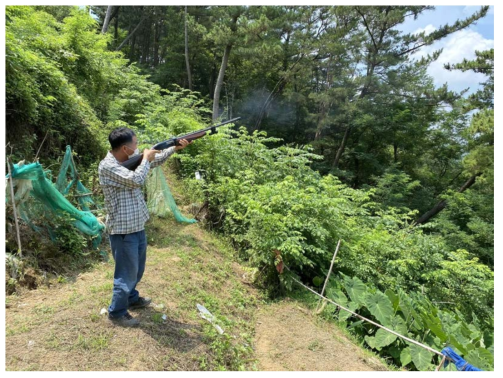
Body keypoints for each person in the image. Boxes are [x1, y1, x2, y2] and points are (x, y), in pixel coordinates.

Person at [98, 127, 192, 327]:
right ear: (125, 148)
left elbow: (153, 161)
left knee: (137, 269)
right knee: (126, 273)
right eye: (135, 145)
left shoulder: (127, 161)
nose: (138, 148)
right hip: (123, 230)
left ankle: (131, 298)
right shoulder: (108, 166)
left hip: (137, 225)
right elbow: (136, 180)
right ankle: (117, 312)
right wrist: (146, 158)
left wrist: (174, 148)